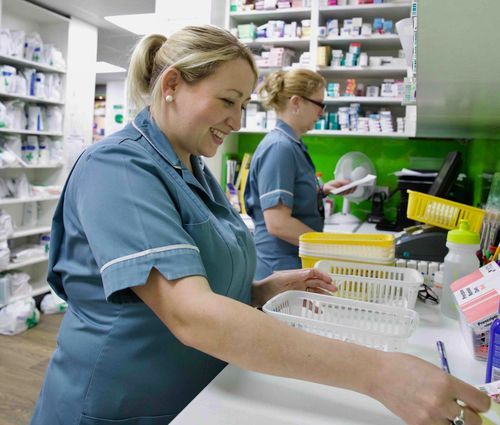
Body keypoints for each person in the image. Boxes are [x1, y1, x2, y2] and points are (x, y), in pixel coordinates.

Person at [30, 25, 489, 425]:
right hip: (120, 403)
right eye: (228, 101)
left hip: (202, 392)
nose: (236, 120)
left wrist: (260, 289)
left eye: (244, 104)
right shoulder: (118, 167)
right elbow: (189, 312)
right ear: (171, 84)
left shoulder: (191, 170)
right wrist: (382, 373)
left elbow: (197, 284)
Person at [244, 69, 352, 279]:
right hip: (278, 269)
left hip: (293, 264)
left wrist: (321, 191)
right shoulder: (279, 148)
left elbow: (291, 202)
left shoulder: (293, 145)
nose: (321, 112)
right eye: (319, 104)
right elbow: (278, 223)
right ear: (296, 102)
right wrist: (329, 248)